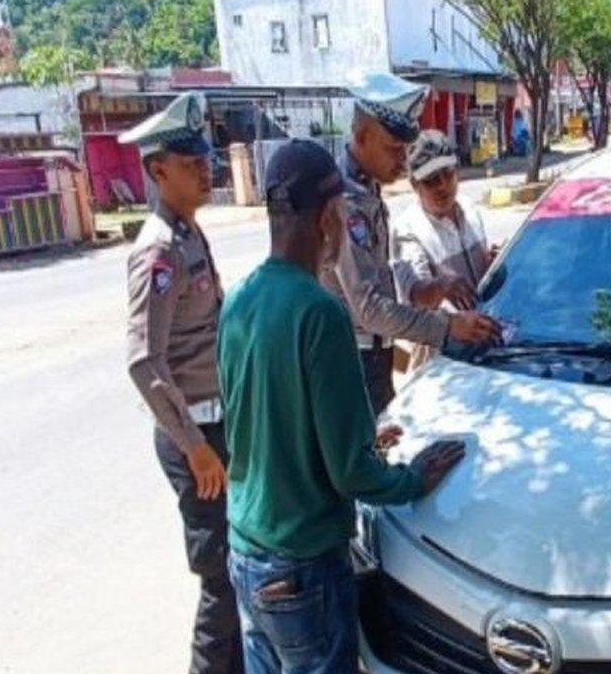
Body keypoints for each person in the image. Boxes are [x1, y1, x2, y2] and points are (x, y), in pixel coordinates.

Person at [218, 139, 467, 674]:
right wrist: (410, 479)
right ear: (331, 216)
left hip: (245, 552)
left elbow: (255, 427)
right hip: (303, 566)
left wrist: (357, 438)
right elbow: (353, 475)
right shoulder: (323, 315)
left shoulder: (239, 301)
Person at [122, 93, 243, 674]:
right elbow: (144, 364)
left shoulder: (190, 233)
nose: (206, 168)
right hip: (192, 437)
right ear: (157, 170)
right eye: (190, 161)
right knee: (220, 580)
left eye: (206, 157)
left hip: (217, 426)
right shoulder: (159, 251)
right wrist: (195, 446)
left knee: (238, 568)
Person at [321, 72, 498, 415]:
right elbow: (370, 308)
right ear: (362, 136)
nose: (403, 161)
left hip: (374, 358)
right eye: (394, 149)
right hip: (349, 363)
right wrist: (448, 326)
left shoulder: (367, 194)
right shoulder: (346, 204)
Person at [392, 130, 498, 370]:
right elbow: (415, 295)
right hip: (442, 360)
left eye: (447, 174)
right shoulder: (407, 230)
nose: (442, 186)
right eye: (431, 180)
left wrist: (495, 263)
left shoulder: (470, 210)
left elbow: (482, 277)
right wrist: (441, 287)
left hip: (486, 346)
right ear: (415, 185)